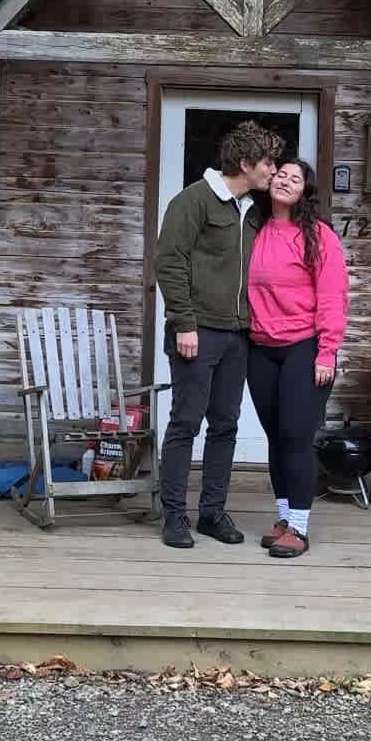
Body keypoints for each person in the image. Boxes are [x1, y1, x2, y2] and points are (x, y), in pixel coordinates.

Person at [154, 120, 284, 549]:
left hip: (238, 335)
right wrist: (184, 323)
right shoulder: (194, 201)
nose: (273, 170)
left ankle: (211, 513)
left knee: (225, 425)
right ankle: (174, 516)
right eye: (267, 162)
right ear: (245, 163)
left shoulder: (253, 209)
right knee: (185, 423)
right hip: (198, 332)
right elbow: (169, 263)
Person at [246, 159, 349, 560]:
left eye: (296, 178)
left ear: (305, 192)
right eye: (281, 174)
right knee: (276, 437)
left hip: (305, 348)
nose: (286, 181)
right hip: (261, 348)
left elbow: (333, 297)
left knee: (296, 436)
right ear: (269, 182)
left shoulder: (318, 236)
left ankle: (301, 529)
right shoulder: (254, 231)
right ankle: (285, 518)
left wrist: (327, 352)